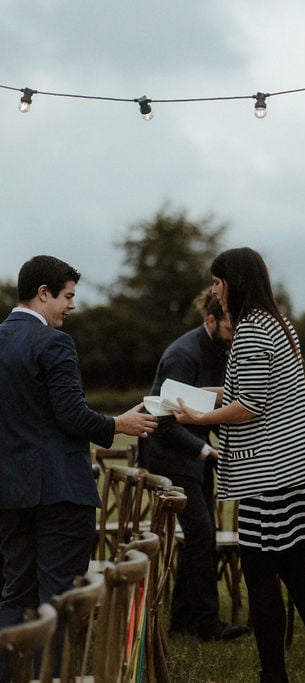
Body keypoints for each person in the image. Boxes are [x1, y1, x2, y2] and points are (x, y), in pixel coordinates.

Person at [173, 248, 305, 683]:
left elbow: (248, 406)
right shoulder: (278, 324)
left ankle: (276, 675)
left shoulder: (250, 330)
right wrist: (194, 396)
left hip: (271, 479)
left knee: (262, 577)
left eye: (217, 282)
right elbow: (242, 389)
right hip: (295, 471)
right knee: (295, 570)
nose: (214, 290)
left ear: (235, 282)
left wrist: (198, 419)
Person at [0, 255, 157, 675]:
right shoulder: (54, 343)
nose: (72, 305)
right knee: (61, 598)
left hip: (11, 491)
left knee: (15, 592)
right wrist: (118, 424)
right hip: (60, 491)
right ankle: (50, 675)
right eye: (68, 296)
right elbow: (71, 415)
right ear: (44, 293)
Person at [138, 289, 248, 641]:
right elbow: (166, 422)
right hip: (168, 457)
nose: (234, 337)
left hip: (195, 456)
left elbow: (209, 412)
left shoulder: (221, 349)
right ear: (211, 321)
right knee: (202, 533)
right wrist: (209, 453)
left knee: (200, 536)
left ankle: (183, 619)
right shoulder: (181, 355)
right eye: (231, 329)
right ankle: (206, 622)